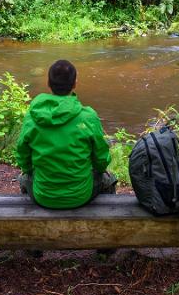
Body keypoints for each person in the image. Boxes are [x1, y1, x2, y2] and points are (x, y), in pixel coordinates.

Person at [16, 59, 117, 209]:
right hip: (81, 196)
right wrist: (97, 170)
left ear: (48, 84)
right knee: (110, 178)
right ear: (75, 83)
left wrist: (29, 170)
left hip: (43, 196)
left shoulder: (32, 116)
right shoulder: (88, 117)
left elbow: (22, 154)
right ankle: (107, 215)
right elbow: (101, 159)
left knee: (23, 178)